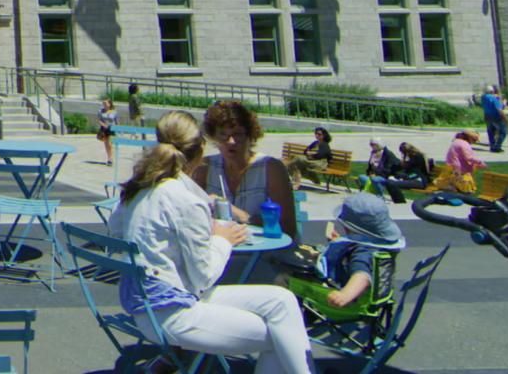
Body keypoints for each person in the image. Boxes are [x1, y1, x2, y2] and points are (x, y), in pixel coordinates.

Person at [109, 110, 315, 374]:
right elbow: (204, 277)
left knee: (282, 300)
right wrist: (221, 239)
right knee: (281, 333)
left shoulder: (144, 186)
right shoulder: (187, 199)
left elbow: (116, 228)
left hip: (149, 301)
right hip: (173, 311)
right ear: (201, 148)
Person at [285, 192, 406, 321]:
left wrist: (345, 294)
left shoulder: (364, 251)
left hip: (350, 301)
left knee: (284, 274)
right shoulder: (379, 245)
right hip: (368, 296)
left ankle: (293, 317)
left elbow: (362, 274)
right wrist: (340, 245)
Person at [195, 99, 299, 242]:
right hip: (221, 250)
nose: (231, 141)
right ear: (214, 137)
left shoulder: (271, 168)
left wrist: (241, 216)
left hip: (266, 251)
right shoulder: (204, 168)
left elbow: (288, 228)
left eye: (238, 135)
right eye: (223, 135)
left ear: (251, 136)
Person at [479, 85, 507, 153]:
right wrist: (504, 104)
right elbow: (499, 108)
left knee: (491, 131)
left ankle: (492, 146)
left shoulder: (483, 97)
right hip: (495, 115)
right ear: (492, 91)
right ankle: (497, 146)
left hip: (487, 115)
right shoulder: (493, 97)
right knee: (503, 131)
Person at [97, 98, 118, 166]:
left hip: (112, 128)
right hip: (104, 128)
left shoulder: (114, 112)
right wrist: (103, 125)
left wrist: (118, 129)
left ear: (109, 104)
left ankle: (111, 158)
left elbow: (116, 121)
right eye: (103, 103)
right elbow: (99, 120)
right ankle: (108, 158)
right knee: (106, 144)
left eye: (105, 103)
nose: (104, 104)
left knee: (111, 144)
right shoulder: (100, 111)